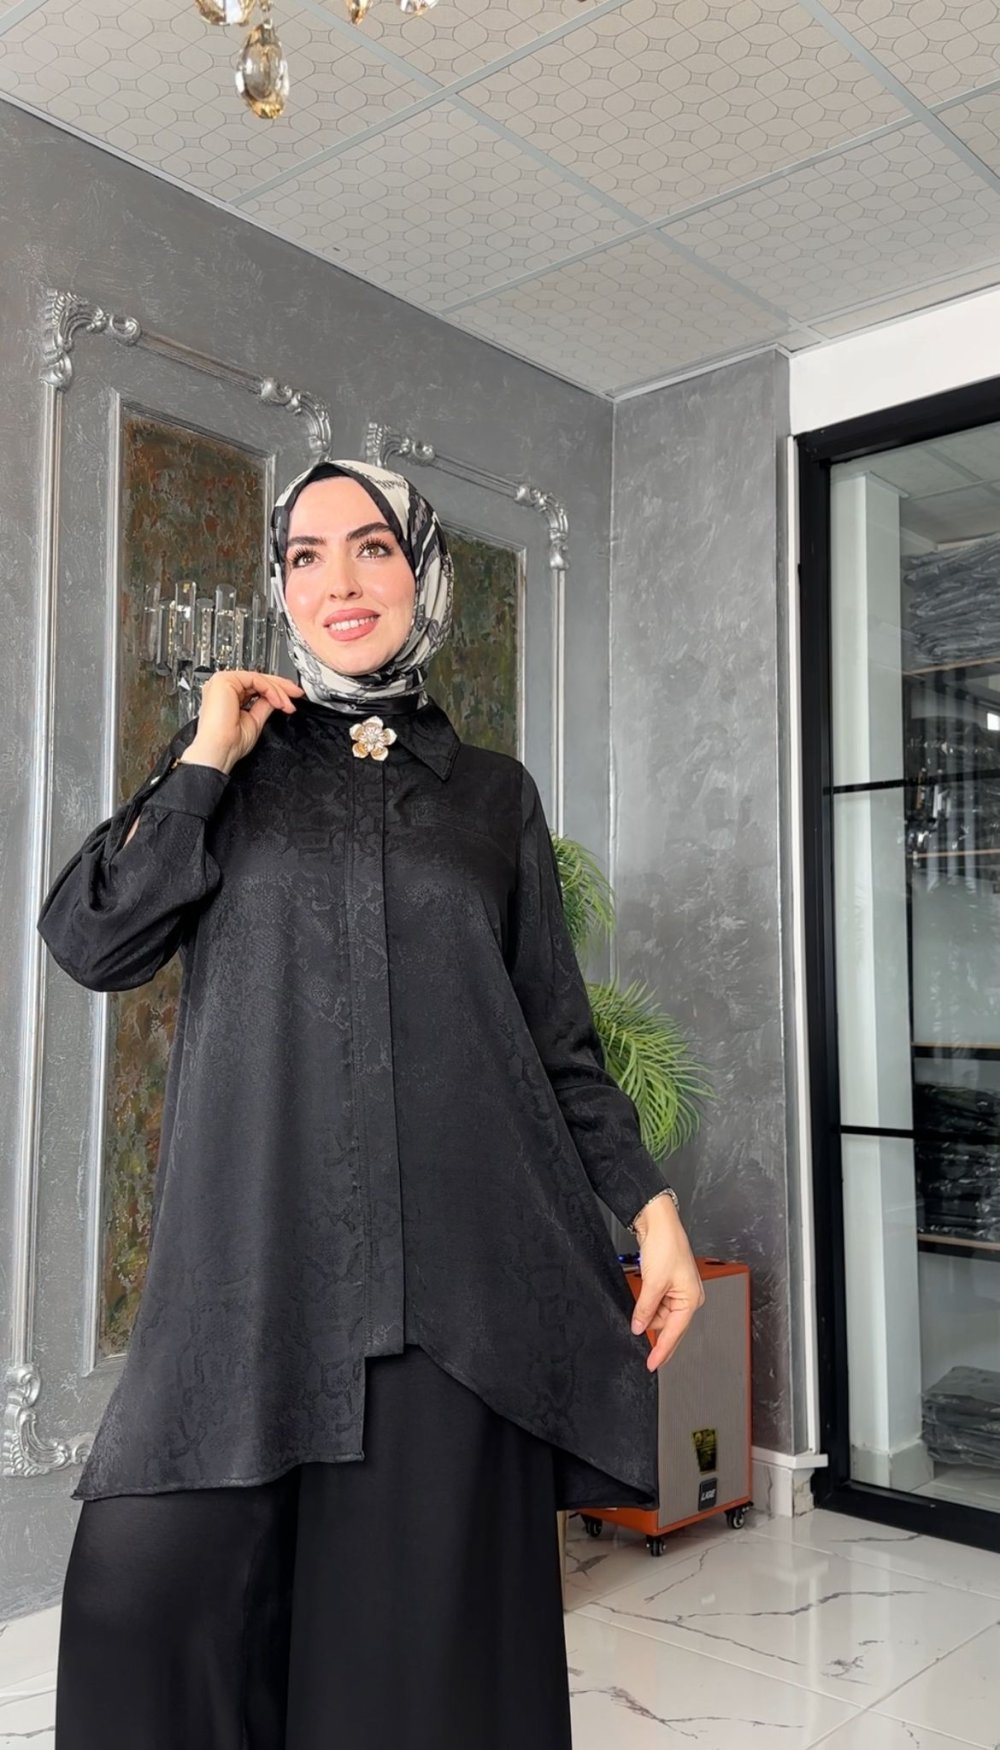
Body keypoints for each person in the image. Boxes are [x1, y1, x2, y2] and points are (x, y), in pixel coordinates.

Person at [37, 457, 705, 1749]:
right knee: (142, 1616)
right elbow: (93, 937)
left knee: (413, 1682)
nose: (337, 579)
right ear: (279, 585)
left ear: (423, 573)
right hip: (248, 1280)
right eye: (305, 554)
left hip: (449, 1303)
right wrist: (204, 755)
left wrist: (652, 1207)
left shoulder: (493, 796)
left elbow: (555, 1041)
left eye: (372, 547)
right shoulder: (230, 774)